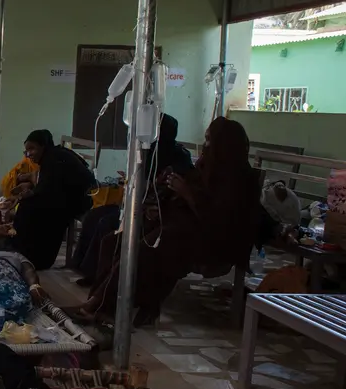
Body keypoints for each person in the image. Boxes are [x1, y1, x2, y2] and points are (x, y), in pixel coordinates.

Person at [77, 117, 261, 325]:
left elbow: (222, 219)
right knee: (114, 241)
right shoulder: (206, 166)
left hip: (210, 242)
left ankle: (101, 306)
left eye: (210, 140)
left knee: (146, 251)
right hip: (180, 228)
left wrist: (186, 192)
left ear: (224, 144)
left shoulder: (239, 179)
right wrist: (160, 206)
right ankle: (100, 302)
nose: (205, 146)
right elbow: (184, 200)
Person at [71, 114, 193, 284]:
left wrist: (145, 186)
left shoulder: (178, 158)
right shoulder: (148, 151)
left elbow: (166, 189)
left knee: (106, 223)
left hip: (154, 210)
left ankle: (101, 277)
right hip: (135, 202)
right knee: (94, 216)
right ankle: (83, 268)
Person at [4, 130, 95, 270]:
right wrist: (28, 193)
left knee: (33, 209)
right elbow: (48, 187)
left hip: (78, 201)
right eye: (26, 150)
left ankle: (38, 258)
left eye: (32, 149)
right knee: (28, 205)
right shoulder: (52, 157)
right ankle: (21, 250)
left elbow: (51, 191)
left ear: (44, 146)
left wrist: (29, 194)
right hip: (64, 197)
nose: (28, 154)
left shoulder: (54, 159)